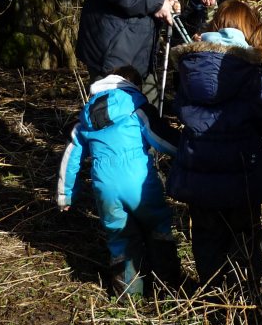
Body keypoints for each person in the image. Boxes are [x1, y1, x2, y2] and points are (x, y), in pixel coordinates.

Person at [168, 0, 262, 290]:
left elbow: (180, 108)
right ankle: (245, 298)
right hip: (241, 174)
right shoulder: (251, 70)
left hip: (198, 173)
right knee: (244, 238)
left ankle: (212, 297)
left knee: (206, 239)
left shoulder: (189, 66)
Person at [57, 65, 182, 296]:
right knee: (158, 227)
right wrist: (188, 152)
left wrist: (65, 194)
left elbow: (70, 157)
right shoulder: (137, 107)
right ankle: (168, 288)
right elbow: (162, 140)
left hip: (104, 187)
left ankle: (128, 295)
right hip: (141, 184)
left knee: (120, 237)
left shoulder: (86, 114)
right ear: (134, 85)